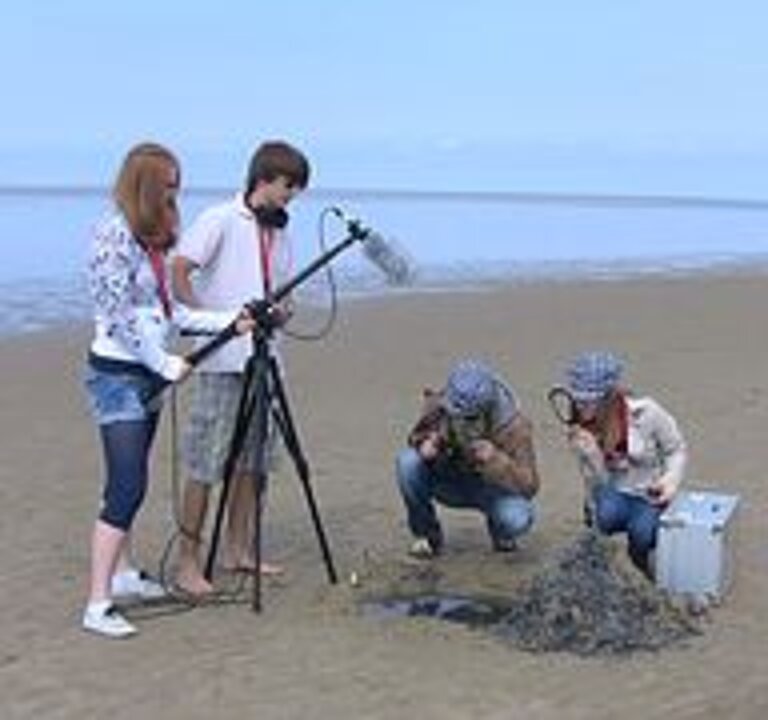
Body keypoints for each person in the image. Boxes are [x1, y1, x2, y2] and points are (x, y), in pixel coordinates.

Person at [82, 142, 255, 638]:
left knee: (125, 480)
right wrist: (164, 362)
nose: (176, 194)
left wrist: (230, 320)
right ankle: (98, 604)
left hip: (150, 374)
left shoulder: (152, 241)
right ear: (146, 185)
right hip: (117, 377)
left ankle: (123, 573)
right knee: (127, 486)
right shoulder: (111, 235)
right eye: (170, 185)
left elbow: (170, 314)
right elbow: (117, 318)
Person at [171, 140, 310, 596]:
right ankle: (188, 562)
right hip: (222, 361)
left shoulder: (281, 234)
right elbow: (180, 269)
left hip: (265, 361)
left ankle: (237, 550)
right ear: (264, 179)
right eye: (288, 186)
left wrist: (284, 310)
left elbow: (283, 291)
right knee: (206, 463)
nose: (292, 195)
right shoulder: (219, 220)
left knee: (254, 464)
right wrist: (203, 323)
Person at [395, 359, 540, 558]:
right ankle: (427, 536)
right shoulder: (439, 405)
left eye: (470, 417)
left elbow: (529, 487)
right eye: (456, 413)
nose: (462, 421)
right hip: (449, 479)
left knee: (518, 517)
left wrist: (498, 461)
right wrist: (426, 444)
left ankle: (502, 535)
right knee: (407, 463)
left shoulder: (514, 427)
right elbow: (416, 435)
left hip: (490, 490)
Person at [561, 350, 687, 577]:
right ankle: (600, 562)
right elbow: (597, 484)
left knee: (642, 533)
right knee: (603, 517)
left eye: (590, 401)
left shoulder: (647, 412)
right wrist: (592, 458)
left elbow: (675, 449)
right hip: (613, 490)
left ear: (608, 396)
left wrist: (669, 481)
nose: (582, 407)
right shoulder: (580, 428)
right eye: (578, 400)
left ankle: (639, 559)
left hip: (647, 491)